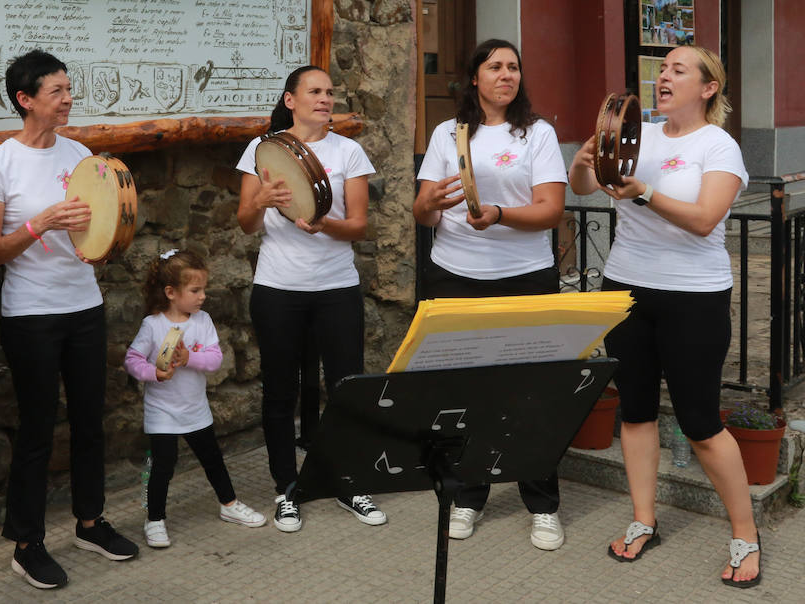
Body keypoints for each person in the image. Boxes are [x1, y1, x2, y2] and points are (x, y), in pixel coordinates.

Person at [569, 45, 760, 588]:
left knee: (700, 422)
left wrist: (647, 192)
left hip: (693, 297)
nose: (663, 78)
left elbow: (703, 220)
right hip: (627, 288)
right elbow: (587, 190)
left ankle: (745, 533)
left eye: (679, 70)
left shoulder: (718, 145)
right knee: (635, 411)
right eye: (662, 70)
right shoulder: (638, 135)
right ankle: (643, 519)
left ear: (708, 88)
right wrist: (582, 165)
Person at [0, 49, 138, 590]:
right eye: (57, 91)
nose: (68, 99)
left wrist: (107, 238)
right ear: (25, 100)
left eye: (69, 89)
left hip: (83, 306)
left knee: (91, 420)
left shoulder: (81, 154)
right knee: (38, 429)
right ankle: (27, 543)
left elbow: (99, 232)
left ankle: (90, 523)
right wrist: (41, 223)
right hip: (32, 314)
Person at [412, 39, 568, 551]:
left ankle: (542, 505)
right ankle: (468, 496)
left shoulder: (537, 134)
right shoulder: (447, 134)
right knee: (466, 395)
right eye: (495, 66)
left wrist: (499, 214)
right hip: (455, 276)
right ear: (474, 76)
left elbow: (550, 211)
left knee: (531, 394)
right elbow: (424, 212)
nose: (507, 74)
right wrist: (429, 202)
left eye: (514, 67)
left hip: (525, 277)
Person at [235, 65, 384, 532]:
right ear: (290, 100)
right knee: (280, 391)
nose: (325, 99)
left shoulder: (349, 151)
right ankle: (287, 489)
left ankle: (348, 481)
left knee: (346, 388)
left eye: (329, 92)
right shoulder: (262, 150)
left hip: (336, 287)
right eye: (314, 92)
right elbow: (244, 222)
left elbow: (359, 226)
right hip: (278, 288)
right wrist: (260, 200)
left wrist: (326, 225)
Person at [124, 249, 266, 548]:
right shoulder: (153, 325)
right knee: (163, 465)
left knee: (212, 459)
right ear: (171, 293)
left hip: (195, 409)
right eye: (195, 290)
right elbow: (132, 360)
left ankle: (229, 505)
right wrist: (154, 373)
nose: (202, 296)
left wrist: (189, 357)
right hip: (161, 411)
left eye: (203, 289)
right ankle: (155, 518)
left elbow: (214, 360)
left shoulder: (203, 321)